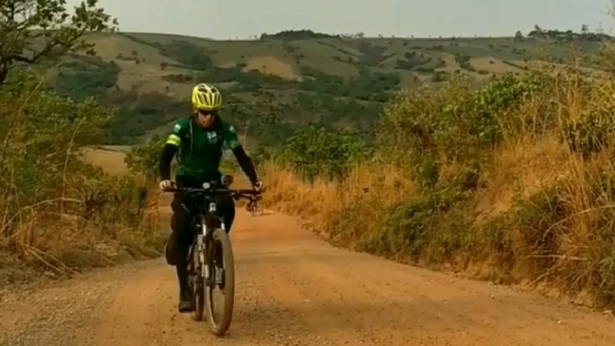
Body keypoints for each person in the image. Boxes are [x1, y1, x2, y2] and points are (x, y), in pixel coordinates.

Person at [158, 82, 263, 313]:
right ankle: (185, 290)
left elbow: (241, 156)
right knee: (183, 231)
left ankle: (217, 247)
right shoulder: (184, 128)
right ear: (196, 110)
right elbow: (166, 155)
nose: (208, 117)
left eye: (212, 113)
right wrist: (165, 178)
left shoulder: (224, 129)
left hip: (212, 181)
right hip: (187, 183)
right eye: (204, 113)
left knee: (227, 208)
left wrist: (255, 181)